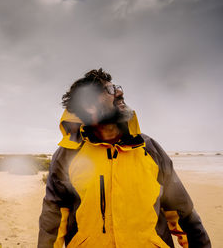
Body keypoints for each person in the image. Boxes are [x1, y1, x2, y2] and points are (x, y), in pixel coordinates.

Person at [38, 68, 211, 247]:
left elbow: (183, 212)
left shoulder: (148, 148)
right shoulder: (68, 155)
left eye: (117, 88)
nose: (120, 92)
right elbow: (53, 220)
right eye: (110, 90)